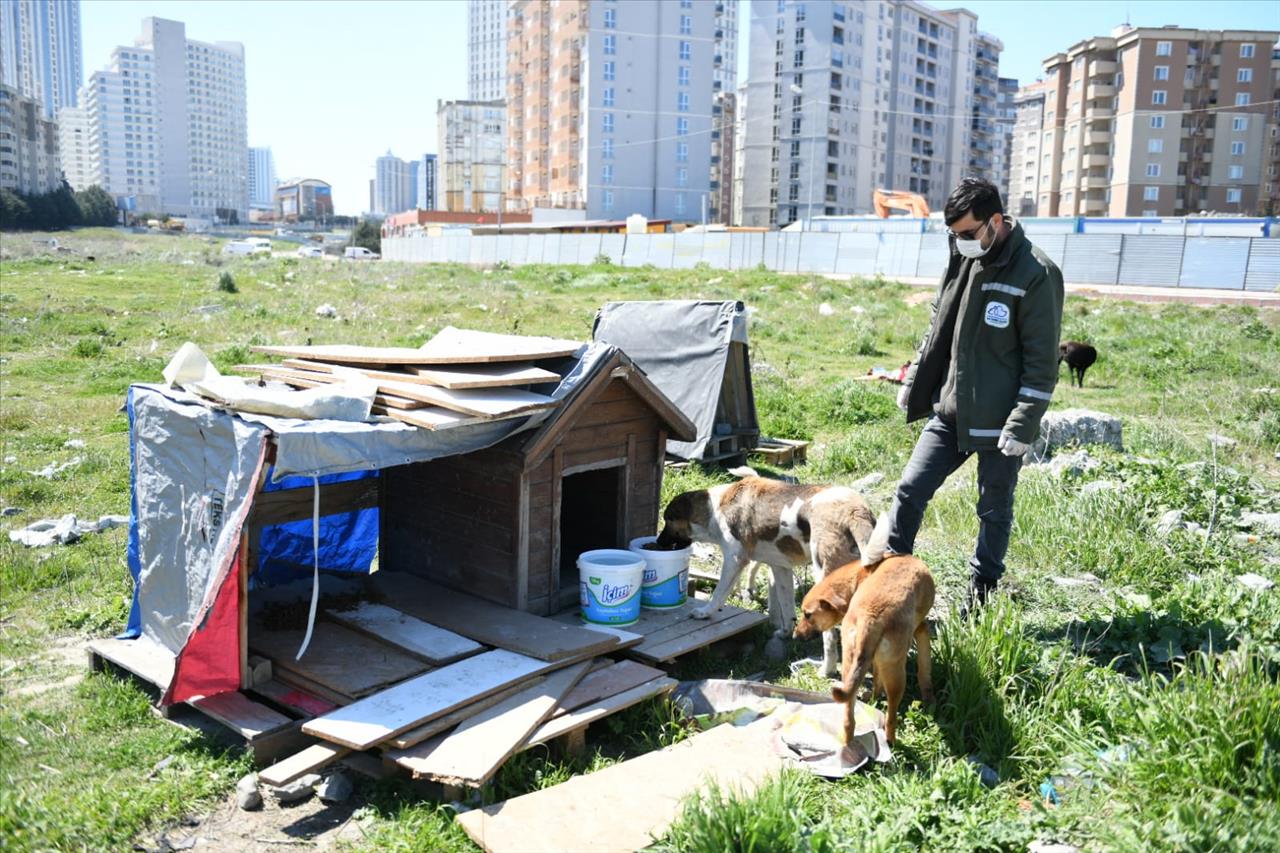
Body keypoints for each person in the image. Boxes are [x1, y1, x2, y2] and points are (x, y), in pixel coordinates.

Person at [859, 178, 1064, 611]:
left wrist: (1024, 421)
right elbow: (938, 324)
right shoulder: (962, 255)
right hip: (951, 411)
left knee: (993, 509)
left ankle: (982, 592)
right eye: (954, 234)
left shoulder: (1036, 274)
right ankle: (893, 580)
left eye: (968, 233)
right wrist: (915, 378)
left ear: (995, 221)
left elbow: (1042, 361)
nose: (961, 242)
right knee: (911, 489)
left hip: (1000, 421)